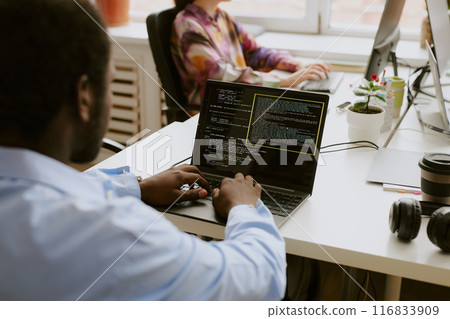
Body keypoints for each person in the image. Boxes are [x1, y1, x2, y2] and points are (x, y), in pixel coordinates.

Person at [0, 0, 286, 300]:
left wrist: (137, 187)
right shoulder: (111, 233)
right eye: (109, 83)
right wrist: (245, 208)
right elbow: (259, 280)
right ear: (83, 96)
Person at [171, 0, 331, 107]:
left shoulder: (223, 18)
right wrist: (284, 81)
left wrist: (297, 65)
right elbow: (218, 76)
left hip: (242, 103)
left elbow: (257, 53)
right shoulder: (188, 26)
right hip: (215, 112)